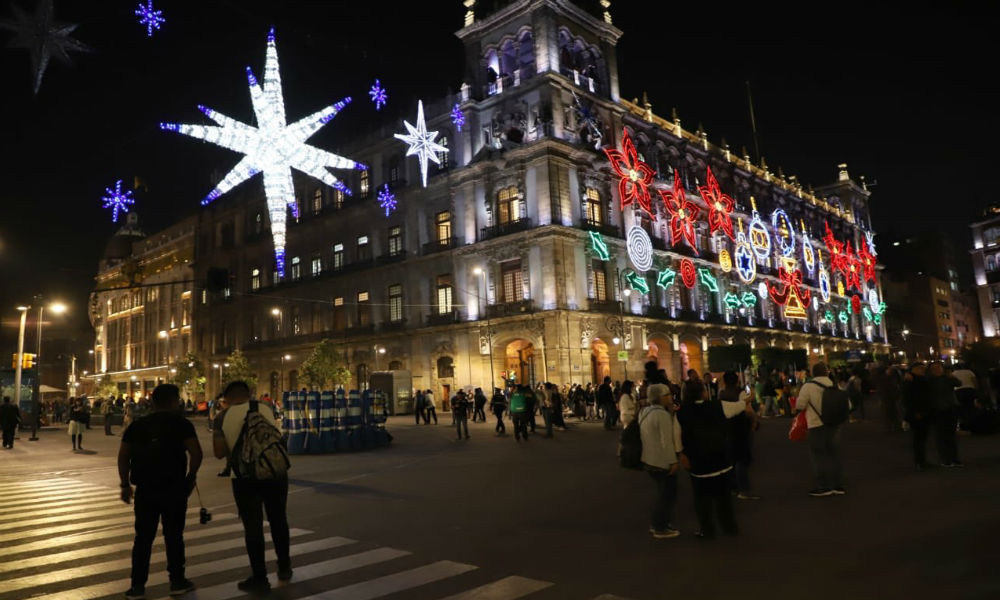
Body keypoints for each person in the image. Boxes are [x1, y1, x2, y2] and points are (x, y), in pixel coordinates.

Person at [119, 384, 202, 599]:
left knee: (143, 539)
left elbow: (123, 456)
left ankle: (137, 586)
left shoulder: (138, 425)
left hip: (145, 490)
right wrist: (190, 478)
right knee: (174, 536)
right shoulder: (181, 424)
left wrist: (125, 484)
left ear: (152, 402)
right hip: (174, 488)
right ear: (175, 401)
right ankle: (177, 581)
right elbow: (196, 453)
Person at [213, 381, 292, 593]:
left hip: (245, 477)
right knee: (278, 520)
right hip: (275, 472)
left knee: (253, 526)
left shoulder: (222, 416)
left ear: (226, 399)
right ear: (249, 394)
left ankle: (260, 577)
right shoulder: (264, 408)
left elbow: (219, 452)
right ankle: (284, 567)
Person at [675, 376, 747, 539]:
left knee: (702, 500)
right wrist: (745, 400)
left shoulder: (681, 413)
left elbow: (676, 437)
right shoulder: (718, 406)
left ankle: (707, 529)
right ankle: (729, 527)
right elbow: (738, 407)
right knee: (724, 498)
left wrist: (681, 454)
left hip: (698, 462)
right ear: (703, 393)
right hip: (721, 459)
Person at [639, 379, 684, 539]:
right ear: (660, 397)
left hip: (648, 459)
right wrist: (673, 461)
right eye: (667, 394)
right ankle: (660, 526)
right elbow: (667, 441)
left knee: (661, 493)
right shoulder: (662, 415)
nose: (670, 396)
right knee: (667, 495)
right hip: (661, 461)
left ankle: (660, 523)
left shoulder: (645, 412)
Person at [794, 363, 847, 496]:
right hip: (834, 424)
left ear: (813, 373)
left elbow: (800, 405)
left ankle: (823, 486)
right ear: (826, 372)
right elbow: (848, 404)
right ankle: (838, 485)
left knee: (818, 456)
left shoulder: (808, 386)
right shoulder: (834, 385)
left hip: (816, 424)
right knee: (834, 454)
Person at [720, 372, 759, 500]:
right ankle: (744, 490)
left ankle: (733, 488)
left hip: (727, 428)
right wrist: (754, 421)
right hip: (741, 427)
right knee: (742, 459)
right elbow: (748, 410)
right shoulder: (740, 393)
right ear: (737, 381)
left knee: (731, 458)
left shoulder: (721, 393)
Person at [927, 362, 962, 467]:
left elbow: (958, 383)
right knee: (941, 436)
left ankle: (954, 458)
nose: (937, 370)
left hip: (950, 408)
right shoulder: (929, 381)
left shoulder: (947, 378)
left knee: (951, 435)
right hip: (937, 410)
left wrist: (951, 376)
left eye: (939, 368)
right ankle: (945, 459)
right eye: (934, 369)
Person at [951, 363, 978, 431]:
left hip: (959, 391)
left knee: (962, 408)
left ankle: (964, 424)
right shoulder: (969, 372)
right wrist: (976, 389)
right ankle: (972, 423)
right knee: (970, 406)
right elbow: (974, 381)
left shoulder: (953, 373)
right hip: (970, 390)